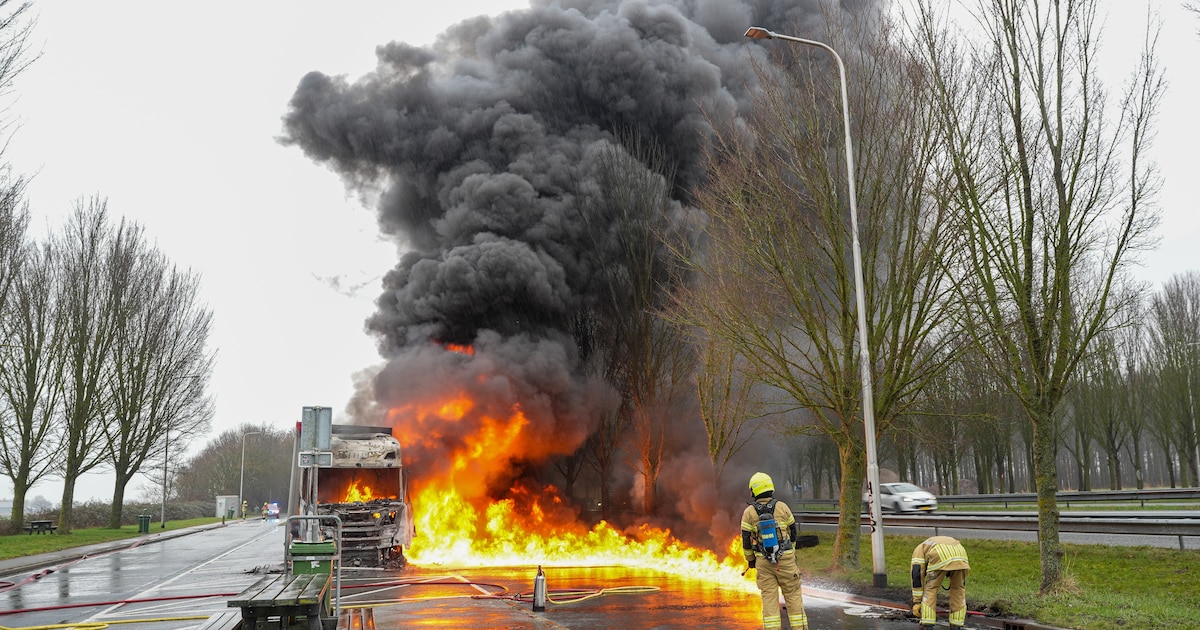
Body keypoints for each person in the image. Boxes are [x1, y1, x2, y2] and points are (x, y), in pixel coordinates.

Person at [741, 472, 807, 630]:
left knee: (769, 600)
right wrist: (790, 552)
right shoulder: (782, 507)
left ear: (754, 491)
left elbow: (746, 541)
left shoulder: (749, 512)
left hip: (763, 563)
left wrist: (751, 560)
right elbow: (793, 532)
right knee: (793, 597)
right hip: (786, 561)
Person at [911, 535, 971, 627]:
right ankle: (957, 623)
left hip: (940, 555)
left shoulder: (919, 549)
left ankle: (927, 623)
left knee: (931, 587)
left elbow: (917, 575)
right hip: (961, 553)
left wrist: (917, 602)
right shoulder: (929, 545)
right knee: (958, 588)